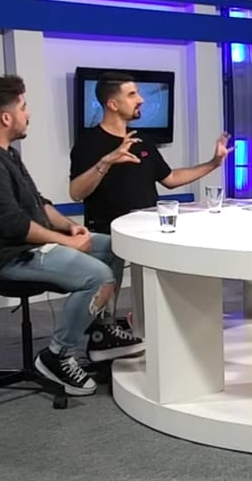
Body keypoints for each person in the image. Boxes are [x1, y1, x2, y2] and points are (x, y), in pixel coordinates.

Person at [0, 75, 145, 397]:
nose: (29, 114)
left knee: (114, 247)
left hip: (23, 246)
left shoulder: (5, 153)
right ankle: (57, 355)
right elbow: (13, 226)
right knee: (98, 276)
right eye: (23, 107)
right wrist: (65, 242)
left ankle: (100, 333)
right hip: (3, 258)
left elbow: (37, 203)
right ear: (6, 118)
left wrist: (68, 226)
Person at [68, 71, 232, 325]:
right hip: (107, 233)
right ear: (112, 104)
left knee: (156, 295)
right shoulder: (89, 142)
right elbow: (76, 192)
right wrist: (106, 161)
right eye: (132, 94)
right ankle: (101, 335)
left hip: (149, 229)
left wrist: (213, 163)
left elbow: (170, 178)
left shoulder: (142, 139)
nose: (141, 99)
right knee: (103, 300)